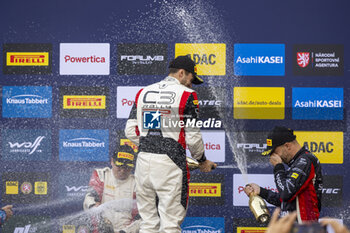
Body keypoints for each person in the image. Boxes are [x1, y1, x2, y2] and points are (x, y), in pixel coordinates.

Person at [125, 55, 217, 232]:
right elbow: (192, 136)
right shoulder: (188, 95)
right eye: (191, 79)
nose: (191, 84)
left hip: (144, 162)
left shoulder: (143, 92)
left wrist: (153, 143)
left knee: (148, 223)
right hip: (171, 165)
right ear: (182, 73)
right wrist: (202, 160)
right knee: (170, 224)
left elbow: (130, 131)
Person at [244, 126, 323, 223]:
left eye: (275, 152)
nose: (273, 157)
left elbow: (286, 193)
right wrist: (261, 191)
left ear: (287, 146)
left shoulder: (305, 160)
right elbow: (286, 200)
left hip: (304, 227)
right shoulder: (297, 163)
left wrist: (278, 167)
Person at [83, 145, 140, 233]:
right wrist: (94, 207)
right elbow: (89, 199)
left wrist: (125, 231)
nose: (122, 170)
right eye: (119, 166)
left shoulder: (137, 183)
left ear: (132, 166)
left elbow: (142, 217)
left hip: (126, 230)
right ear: (112, 161)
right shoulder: (102, 175)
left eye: (127, 168)